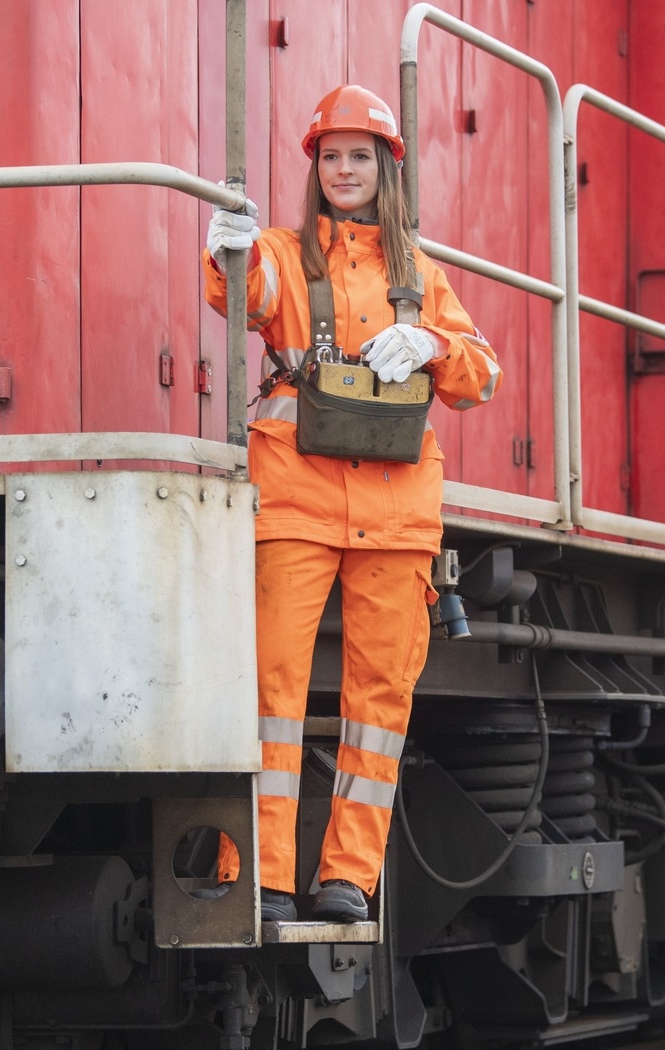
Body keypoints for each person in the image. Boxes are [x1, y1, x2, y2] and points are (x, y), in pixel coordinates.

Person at [202, 84, 501, 924]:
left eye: (359, 156)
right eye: (330, 156)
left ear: (386, 168)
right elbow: (245, 299)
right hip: (296, 502)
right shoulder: (280, 253)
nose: (343, 170)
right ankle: (257, 872)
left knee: (378, 706)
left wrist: (434, 342)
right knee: (272, 693)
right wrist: (226, 253)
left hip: (396, 517)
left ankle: (348, 879)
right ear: (314, 167)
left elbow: (481, 376)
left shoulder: (422, 277)